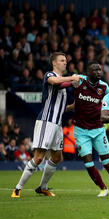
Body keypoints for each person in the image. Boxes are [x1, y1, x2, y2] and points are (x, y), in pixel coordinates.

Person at [11, 52, 80, 198]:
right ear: (54, 63)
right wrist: (73, 77)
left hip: (57, 124)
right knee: (39, 158)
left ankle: (42, 187)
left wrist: (72, 106)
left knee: (56, 157)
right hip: (46, 122)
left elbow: (60, 107)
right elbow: (55, 82)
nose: (65, 62)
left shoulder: (63, 83)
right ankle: (18, 188)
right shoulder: (49, 75)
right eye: (62, 60)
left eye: (65, 60)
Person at [67, 62, 109, 197]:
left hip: (97, 128)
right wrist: (71, 106)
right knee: (88, 161)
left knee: (106, 161)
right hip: (80, 129)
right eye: (95, 70)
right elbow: (68, 80)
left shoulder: (104, 87)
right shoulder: (79, 81)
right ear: (87, 72)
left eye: (99, 70)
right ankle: (103, 188)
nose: (98, 72)